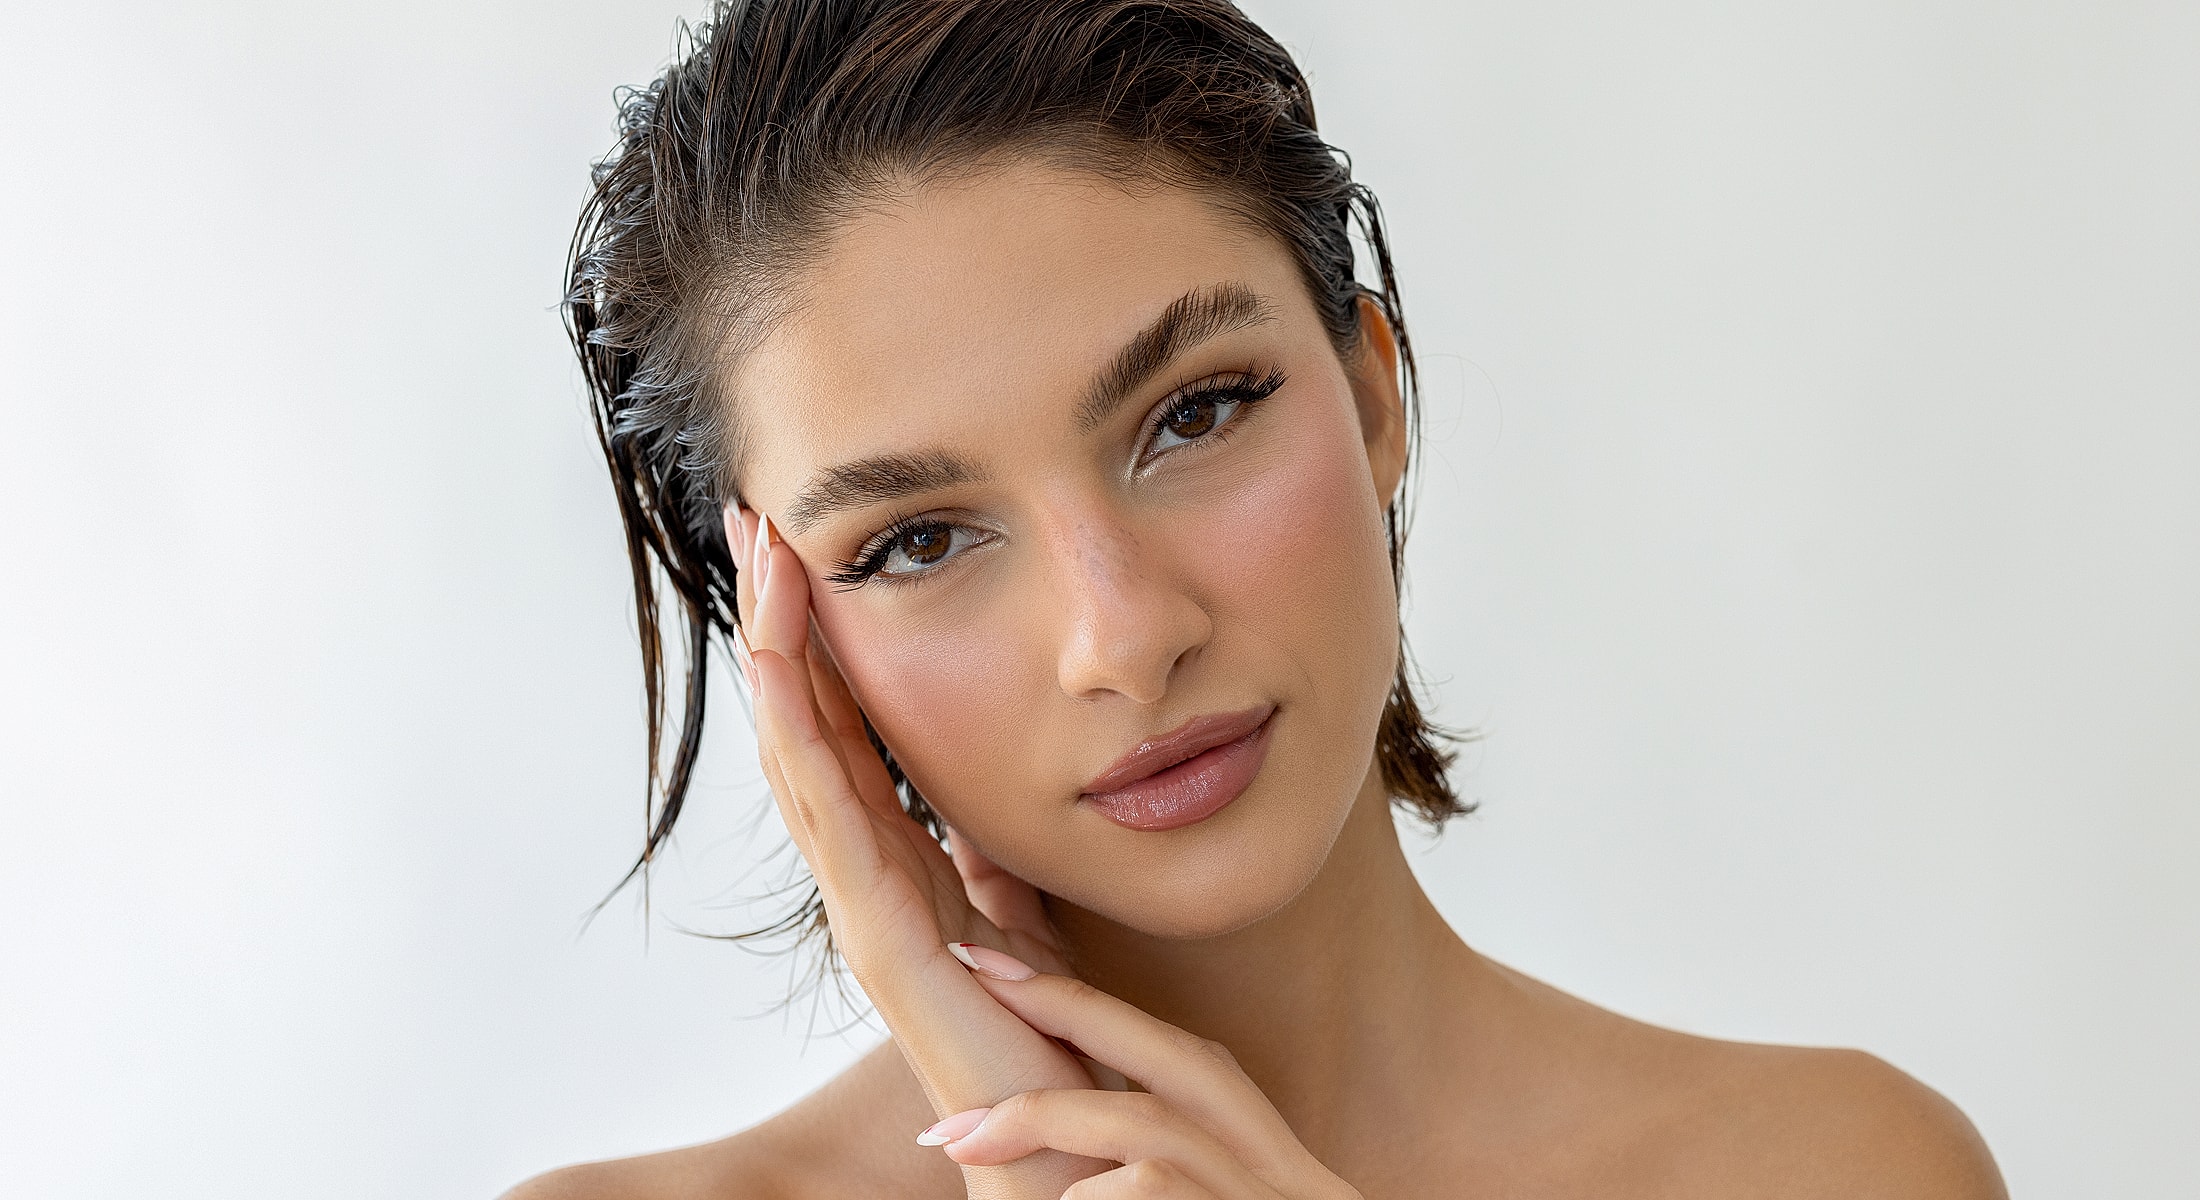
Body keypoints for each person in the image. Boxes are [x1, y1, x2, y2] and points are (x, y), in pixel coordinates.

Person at [511, 1, 2008, 1195]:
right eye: (916, 542)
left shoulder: (1838, 1172)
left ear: (1372, 393)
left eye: (1197, 413)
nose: (1123, 636)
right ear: (793, 640)